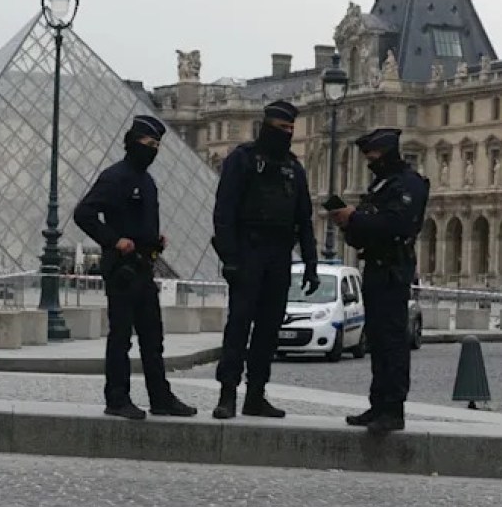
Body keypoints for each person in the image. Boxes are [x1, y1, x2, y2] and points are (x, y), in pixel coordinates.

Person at [73, 115, 197, 421]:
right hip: (122, 270)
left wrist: (156, 240)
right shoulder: (115, 177)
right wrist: (114, 240)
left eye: (157, 145)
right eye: (149, 143)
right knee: (121, 337)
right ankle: (117, 398)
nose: (153, 150)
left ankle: (160, 398)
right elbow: (83, 213)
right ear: (132, 142)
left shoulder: (148, 181)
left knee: (153, 337)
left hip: (145, 266)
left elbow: (140, 222)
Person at [211, 100, 319, 420]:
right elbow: (224, 213)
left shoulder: (293, 168)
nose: (286, 134)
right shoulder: (241, 160)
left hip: (279, 255)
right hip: (248, 251)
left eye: (290, 129)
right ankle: (227, 393)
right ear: (267, 126)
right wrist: (230, 258)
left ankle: (256, 393)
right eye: (281, 128)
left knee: (269, 329)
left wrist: (311, 263)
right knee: (239, 326)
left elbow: (305, 219)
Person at [330, 128, 430, 435]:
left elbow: (396, 224)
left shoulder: (409, 184)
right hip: (374, 266)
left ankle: (393, 409)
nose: (369, 161)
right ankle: (378, 404)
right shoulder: (382, 184)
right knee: (376, 338)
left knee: (392, 341)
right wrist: (348, 224)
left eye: (372, 155)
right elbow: (366, 230)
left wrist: (355, 218)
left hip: (393, 268)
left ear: (386, 152)